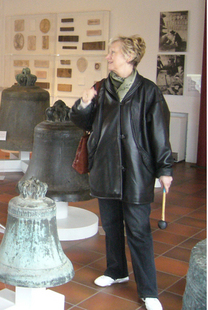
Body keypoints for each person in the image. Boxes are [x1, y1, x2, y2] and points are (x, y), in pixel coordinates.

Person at [70, 35, 173, 310]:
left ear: (128, 56)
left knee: (138, 229)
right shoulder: (100, 88)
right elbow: (80, 120)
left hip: (137, 170)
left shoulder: (149, 91)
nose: (108, 57)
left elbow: (160, 133)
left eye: (112, 52)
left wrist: (164, 168)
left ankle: (148, 290)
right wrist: (84, 102)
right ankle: (116, 270)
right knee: (112, 225)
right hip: (105, 167)